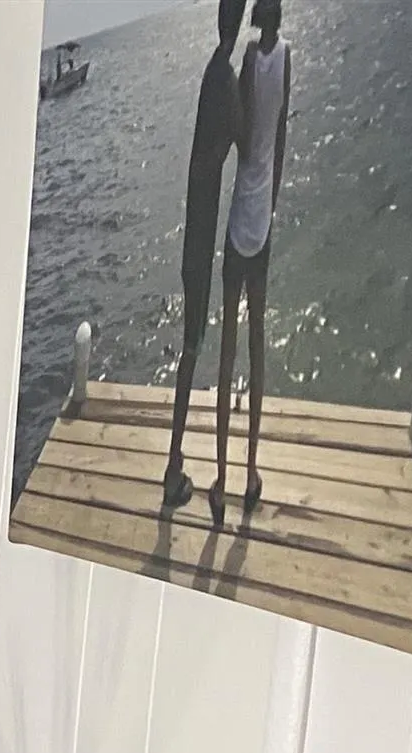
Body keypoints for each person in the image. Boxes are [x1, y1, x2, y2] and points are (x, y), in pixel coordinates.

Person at [163, 0, 249, 510]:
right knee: (192, 349)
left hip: (196, 234)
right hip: (199, 241)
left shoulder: (211, 73)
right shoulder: (224, 75)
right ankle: (173, 468)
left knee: (189, 348)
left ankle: (174, 464)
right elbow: (243, 135)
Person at [215, 0, 292, 519]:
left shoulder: (246, 55)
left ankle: (219, 476)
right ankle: (250, 471)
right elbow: (277, 135)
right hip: (262, 214)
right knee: (259, 344)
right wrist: (275, 196)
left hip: (241, 204)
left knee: (227, 347)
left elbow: (241, 135)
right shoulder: (287, 57)